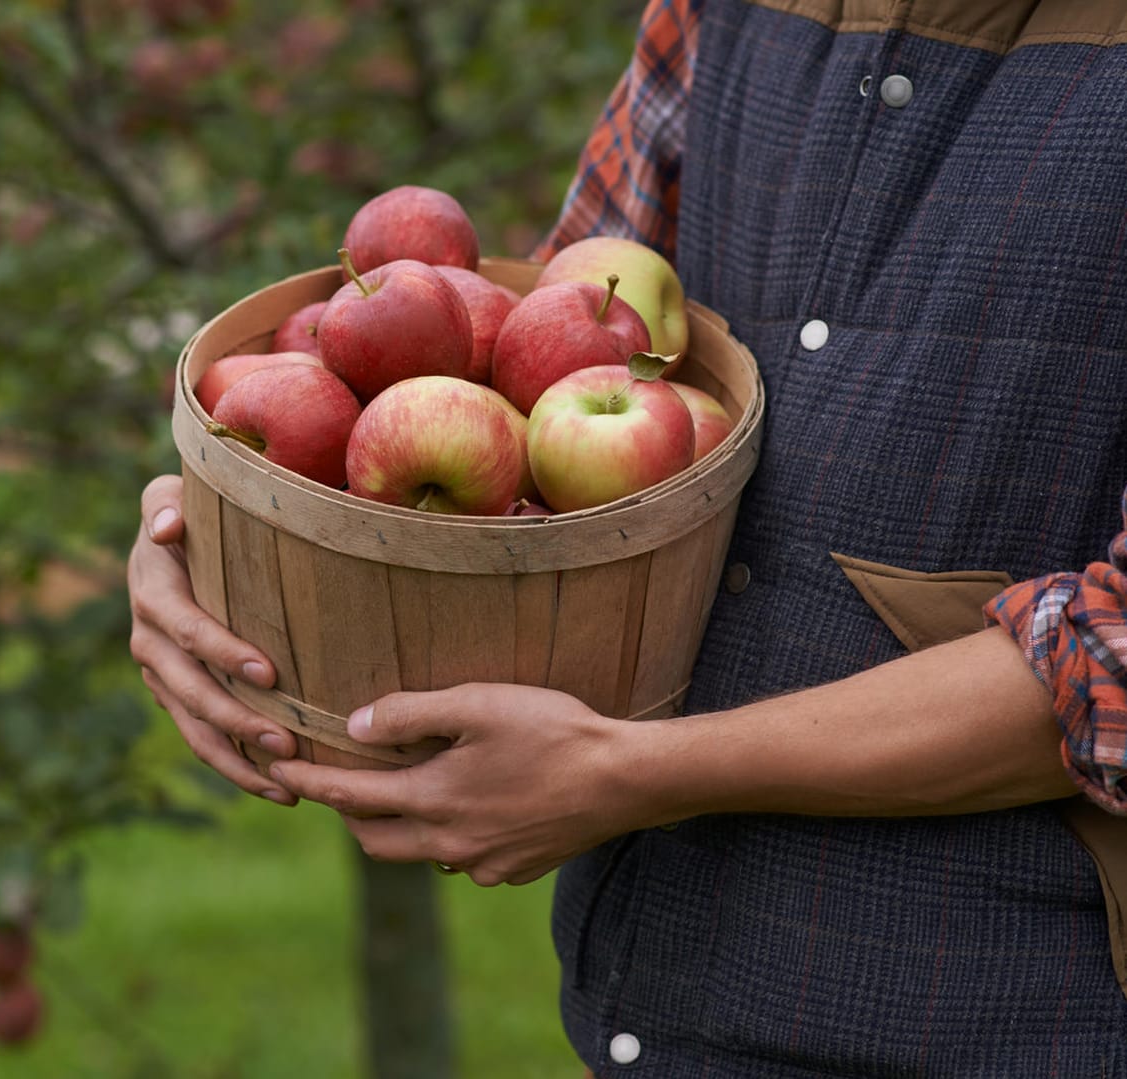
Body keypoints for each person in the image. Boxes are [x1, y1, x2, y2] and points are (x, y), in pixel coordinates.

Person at [128, 0, 1127, 1073]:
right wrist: (229, 533)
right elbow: (527, 371)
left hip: (1013, 1017)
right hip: (650, 1006)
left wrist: (634, 768)